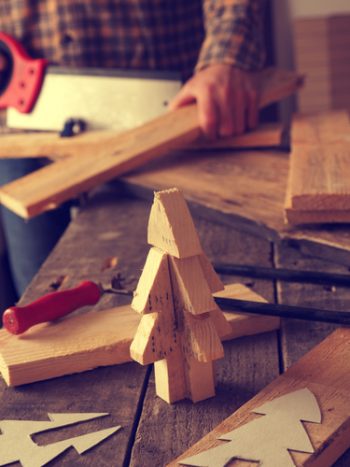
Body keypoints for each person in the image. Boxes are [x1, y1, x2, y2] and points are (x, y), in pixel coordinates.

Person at [0, 0, 266, 296]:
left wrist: (225, 56)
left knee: (192, 287)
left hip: (174, 122)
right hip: (20, 125)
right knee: (39, 303)